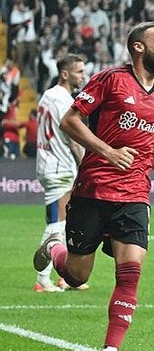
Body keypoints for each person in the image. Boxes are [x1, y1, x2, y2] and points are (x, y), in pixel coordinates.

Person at [32, 22, 154, 351]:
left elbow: (151, 136)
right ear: (139, 47)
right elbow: (70, 121)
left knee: (130, 274)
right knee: (77, 276)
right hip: (94, 188)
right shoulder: (110, 79)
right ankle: (54, 248)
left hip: (135, 194)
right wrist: (108, 152)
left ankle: (111, 348)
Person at [33, 53, 88, 293]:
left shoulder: (47, 95)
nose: (83, 76)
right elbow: (73, 139)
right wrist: (85, 166)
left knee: (65, 223)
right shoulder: (65, 101)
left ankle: (65, 276)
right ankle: (42, 279)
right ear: (65, 73)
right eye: (79, 71)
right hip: (60, 168)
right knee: (57, 224)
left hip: (47, 163)